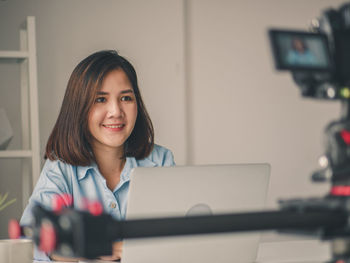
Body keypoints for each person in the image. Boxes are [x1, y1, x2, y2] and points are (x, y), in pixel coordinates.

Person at [20, 50, 175, 261]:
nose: (116, 111)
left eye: (126, 98)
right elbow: (33, 247)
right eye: (100, 99)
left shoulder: (161, 161)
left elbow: (175, 240)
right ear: (79, 107)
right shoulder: (61, 168)